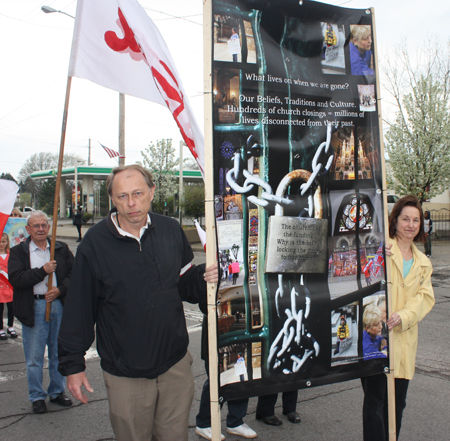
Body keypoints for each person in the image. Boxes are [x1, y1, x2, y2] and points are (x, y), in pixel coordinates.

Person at [57, 164, 218, 441]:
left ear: (151, 192)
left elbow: (183, 283)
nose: (131, 203)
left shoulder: (170, 229)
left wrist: (205, 276)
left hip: (174, 365)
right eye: (122, 196)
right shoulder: (94, 244)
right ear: (112, 198)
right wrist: (73, 365)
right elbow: (79, 308)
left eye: (138, 193)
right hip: (125, 370)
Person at [361, 195, 435, 441]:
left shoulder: (423, 262)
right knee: (376, 402)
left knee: (398, 403)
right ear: (395, 220)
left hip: (404, 340)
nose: (411, 225)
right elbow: (362, 276)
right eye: (406, 219)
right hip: (376, 339)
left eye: (416, 220)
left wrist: (404, 316)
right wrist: (375, 251)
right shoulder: (383, 248)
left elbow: (425, 297)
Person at [8, 211, 74, 414]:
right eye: (35, 226)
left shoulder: (60, 248)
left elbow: (74, 273)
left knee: (57, 353)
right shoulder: (19, 251)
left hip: (57, 306)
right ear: (28, 229)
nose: (40, 229)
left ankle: (57, 392)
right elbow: (16, 279)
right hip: (34, 307)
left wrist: (60, 290)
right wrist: (42, 272)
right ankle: (37, 396)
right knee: (35, 357)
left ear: (49, 226)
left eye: (44, 225)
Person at [195, 316, 257, 440]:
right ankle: (204, 423)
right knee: (216, 380)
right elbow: (202, 302)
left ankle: (236, 421)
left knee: (241, 377)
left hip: (242, 331)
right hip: (215, 333)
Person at [0, 233, 16, 339]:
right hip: (0, 287)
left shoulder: (11, 255)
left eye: (3, 241)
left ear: (7, 242)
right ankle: (0, 328)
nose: (1, 244)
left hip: (10, 286)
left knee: (12, 308)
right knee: (0, 309)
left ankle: (10, 326)